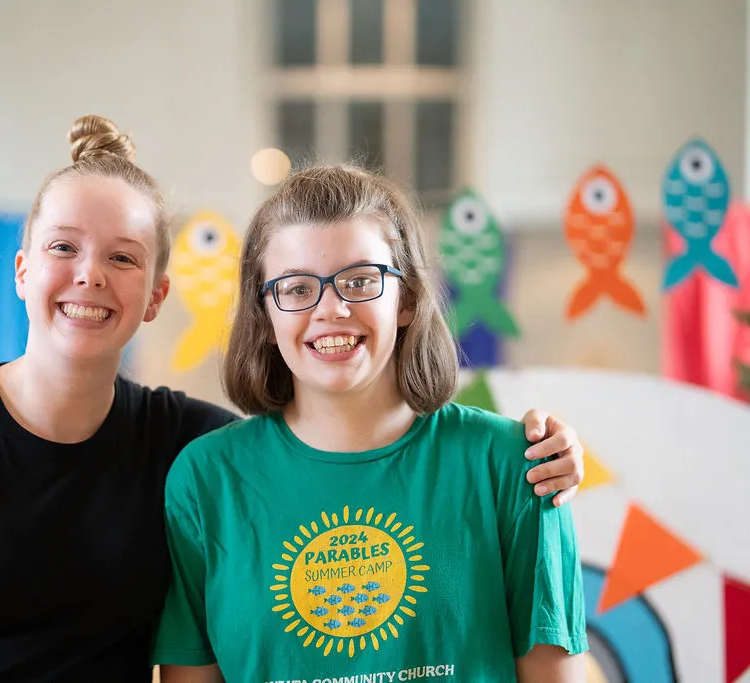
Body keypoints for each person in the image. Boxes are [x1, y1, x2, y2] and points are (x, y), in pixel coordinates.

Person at [0, 116, 585, 683]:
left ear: (155, 296)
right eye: (63, 247)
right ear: (20, 268)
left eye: (121, 257)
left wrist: (550, 452)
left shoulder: (188, 448)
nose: (90, 275)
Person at [153, 165, 588, 682]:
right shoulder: (205, 481)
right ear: (264, 314)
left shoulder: (516, 465)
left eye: (360, 281)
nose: (331, 309)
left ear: (405, 300)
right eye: (295, 288)